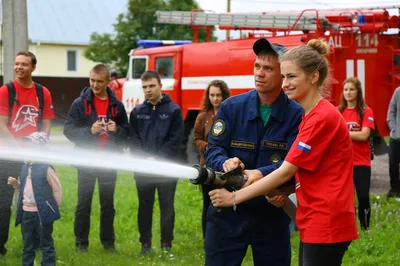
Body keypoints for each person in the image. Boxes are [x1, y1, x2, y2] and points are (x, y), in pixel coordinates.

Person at [210, 39, 358, 266]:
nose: (285, 83)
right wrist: (227, 164)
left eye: (289, 76)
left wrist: (235, 195)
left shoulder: (315, 117)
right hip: (310, 219)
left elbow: (287, 169)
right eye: (257, 66)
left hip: (321, 221)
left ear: (313, 76)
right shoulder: (309, 115)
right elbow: (306, 176)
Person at [204, 38, 303, 266]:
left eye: (268, 68)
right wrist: (225, 162)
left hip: (271, 213)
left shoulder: (296, 115)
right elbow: (214, 149)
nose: (260, 73)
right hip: (227, 212)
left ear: (283, 75)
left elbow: (295, 162)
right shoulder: (231, 107)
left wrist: (259, 173)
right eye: (257, 66)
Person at [63, 63, 129, 252]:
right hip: (86, 162)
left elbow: (127, 130)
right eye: (92, 80)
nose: (95, 85)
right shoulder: (79, 103)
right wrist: (89, 131)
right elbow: (68, 130)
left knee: (107, 205)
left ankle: (108, 244)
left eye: (100, 81)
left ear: (108, 81)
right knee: (83, 204)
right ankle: (81, 244)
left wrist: (117, 130)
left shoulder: (117, 105)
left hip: (109, 162)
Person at [0, 51, 54, 256]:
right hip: (8, 156)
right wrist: (20, 147)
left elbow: (47, 123)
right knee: (3, 204)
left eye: (24, 64)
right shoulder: (6, 90)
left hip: (35, 157)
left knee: (38, 202)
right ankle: (0, 245)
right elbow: (1, 124)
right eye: (16, 64)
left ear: (33, 67)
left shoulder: (42, 92)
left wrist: (38, 145)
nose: (19, 67)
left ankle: (38, 242)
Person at [129, 70, 183, 255]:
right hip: (143, 170)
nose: (148, 90)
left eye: (152, 86)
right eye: (144, 87)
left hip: (166, 169)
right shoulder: (137, 112)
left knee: (167, 206)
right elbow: (133, 139)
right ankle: (145, 244)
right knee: (144, 207)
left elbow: (175, 141)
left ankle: (166, 245)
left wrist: (156, 159)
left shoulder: (174, 110)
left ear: (160, 85)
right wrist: (144, 158)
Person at [7, 132, 61, 266]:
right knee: (28, 244)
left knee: (46, 243)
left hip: (42, 213)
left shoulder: (46, 169)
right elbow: (25, 188)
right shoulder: (25, 167)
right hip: (26, 213)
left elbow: (57, 189)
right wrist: (16, 184)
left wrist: (54, 208)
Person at [193, 79, 230, 239]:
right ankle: (208, 236)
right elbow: (196, 139)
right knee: (208, 204)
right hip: (207, 167)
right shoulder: (203, 117)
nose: (215, 98)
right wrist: (208, 148)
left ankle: (225, 236)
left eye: (218, 95)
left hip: (225, 167)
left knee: (225, 203)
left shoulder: (230, 114)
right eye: (212, 95)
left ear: (224, 96)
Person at [338, 77, 375, 230]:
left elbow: (364, 135)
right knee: (345, 199)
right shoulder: (338, 111)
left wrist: (343, 132)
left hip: (361, 162)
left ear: (358, 91)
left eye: (351, 89)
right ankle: (348, 229)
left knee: (363, 197)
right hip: (342, 162)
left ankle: (365, 228)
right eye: (346, 89)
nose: (348, 92)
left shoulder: (366, 111)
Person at [387, 86, 400, 197]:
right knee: (393, 164)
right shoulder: (398, 91)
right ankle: (395, 189)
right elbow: (391, 111)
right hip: (396, 137)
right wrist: (394, 129)